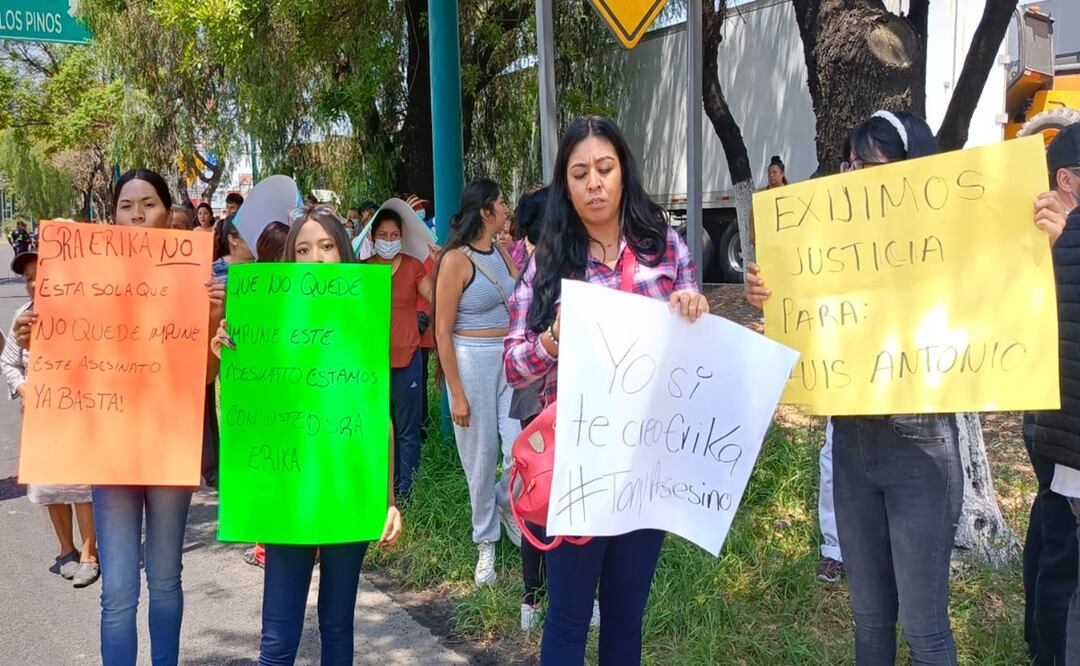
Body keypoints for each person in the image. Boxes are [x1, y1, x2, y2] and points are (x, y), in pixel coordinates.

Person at [745, 110, 1067, 665]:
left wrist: (1050, 245)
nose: (854, 176)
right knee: (869, 623)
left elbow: (1008, 294)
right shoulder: (829, 249)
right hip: (850, 450)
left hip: (921, 452)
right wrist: (768, 293)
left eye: (870, 164)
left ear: (909, 172)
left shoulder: (949, 248)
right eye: (850, 163)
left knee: (925, 632)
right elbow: (806, 322)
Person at [504, 116, 707, 664]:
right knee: (568, 619)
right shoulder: (546, 262)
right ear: (565, 187)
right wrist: (552, 338)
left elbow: (696, 351)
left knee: (625, 620)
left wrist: (694, 310)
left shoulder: (665, 250)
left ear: (623, 174)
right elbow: (515, 367)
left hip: (648, 463)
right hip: (580, 463)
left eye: (604, 168)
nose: (594, 182)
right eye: (579, 173)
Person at [13, 168, 227, 665]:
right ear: (112, 214)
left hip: (168, 449)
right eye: (127, 205)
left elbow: (203, 379)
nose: (137, 214)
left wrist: (213, 321)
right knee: (119, 593)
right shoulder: (81, 278)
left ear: (168, 212)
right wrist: (34, 340)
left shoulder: (193, 281)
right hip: (111, 455)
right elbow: (64, 362)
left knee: (167, 579)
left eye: (148, 204)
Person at [211, 206, 403, 665]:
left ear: (344, 252)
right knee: (277, 640)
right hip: (287, 492)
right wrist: (226, 353)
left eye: (326, 246)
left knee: (338, 625)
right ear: (289, 260)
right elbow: (243, 412)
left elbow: (381, 419)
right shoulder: (263, 320)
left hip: (346, 491)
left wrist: (388, 499)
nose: (315, 258)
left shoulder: (362, 319)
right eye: (302, 249)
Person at [436, 180, 526, 587]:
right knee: (480, 457)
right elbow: (441, 330)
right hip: (471, 360)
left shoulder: (504, 253)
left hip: (509, 359)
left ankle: (508, 502)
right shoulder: (455, 260)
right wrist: (456, 389)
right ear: (487, 211)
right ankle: (485, 541)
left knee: (519, 447)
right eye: (502, 202)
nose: (507, 208)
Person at [3, 249, 100, 588]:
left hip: (78, 414)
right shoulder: (22, 317)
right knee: (50, 487)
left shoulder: (80, 315)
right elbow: (8, 363)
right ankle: (66, 549)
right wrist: (26, 390)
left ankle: (90, 552)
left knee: (82, 485)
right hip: (40, 420)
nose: (33, 283)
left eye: (39, 276)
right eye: (27, 277)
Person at [1025, 122, 1080, 665]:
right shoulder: (1050, 237)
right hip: (1063, 431)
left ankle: (1038, 645)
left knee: (1052, 535)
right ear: (1067, 179)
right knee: (1063, 559)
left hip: (1054, 424)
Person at [362, 201, 435, 500]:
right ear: (372, 237)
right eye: (383, 235)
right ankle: (383, 490)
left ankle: (407, 492)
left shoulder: (413, 266)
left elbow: (434, 294)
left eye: (394, 236)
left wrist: (442, 266)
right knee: (378, 428)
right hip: (371, 364)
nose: (389, 241)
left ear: (402, 237)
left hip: (408, 359)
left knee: (408, 430)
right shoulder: (362, 270)